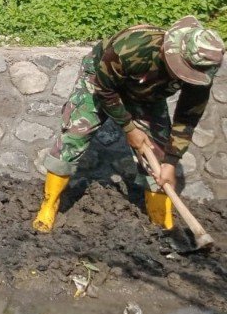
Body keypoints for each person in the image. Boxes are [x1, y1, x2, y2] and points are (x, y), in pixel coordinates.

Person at [33, 16, 223, 233]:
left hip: (148, 94)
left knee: (158, 155)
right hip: (100, 81)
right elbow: (105, 90)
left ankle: (162, 222)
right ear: (168, 52)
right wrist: (129, 128)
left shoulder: (200, 74)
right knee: (75, 134)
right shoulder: (131, 48)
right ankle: (49, 204)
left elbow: (187, 119)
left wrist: (171, 162)